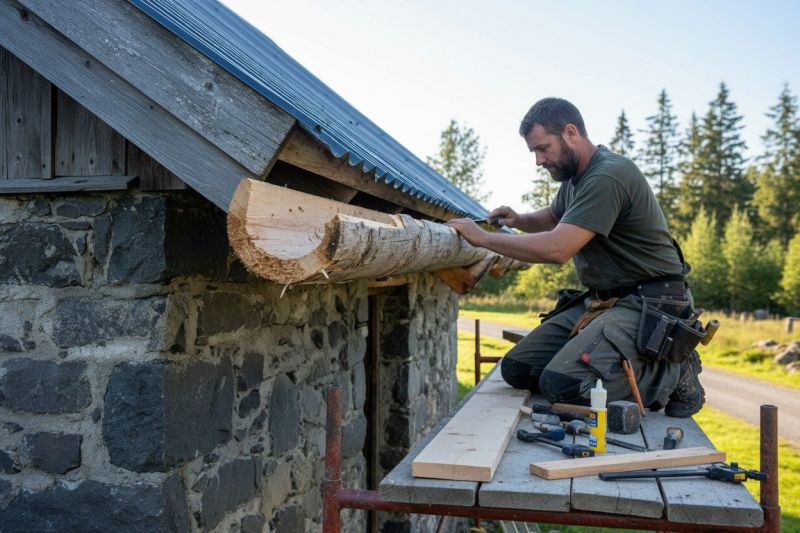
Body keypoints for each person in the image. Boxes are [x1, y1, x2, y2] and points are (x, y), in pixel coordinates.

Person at [447, 97, 704, 417]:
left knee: (565, 387)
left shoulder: (608, 175)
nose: (539, 161)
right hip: (603, 300)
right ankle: (628, 362)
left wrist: (484, 239)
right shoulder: (574, 179)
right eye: (534, 152)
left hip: (650, 301)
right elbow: (555, 217)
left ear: (570, 133)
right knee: (518, 370)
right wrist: (517, 219)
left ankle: (674, 370)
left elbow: (558, 249)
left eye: (543, 148)